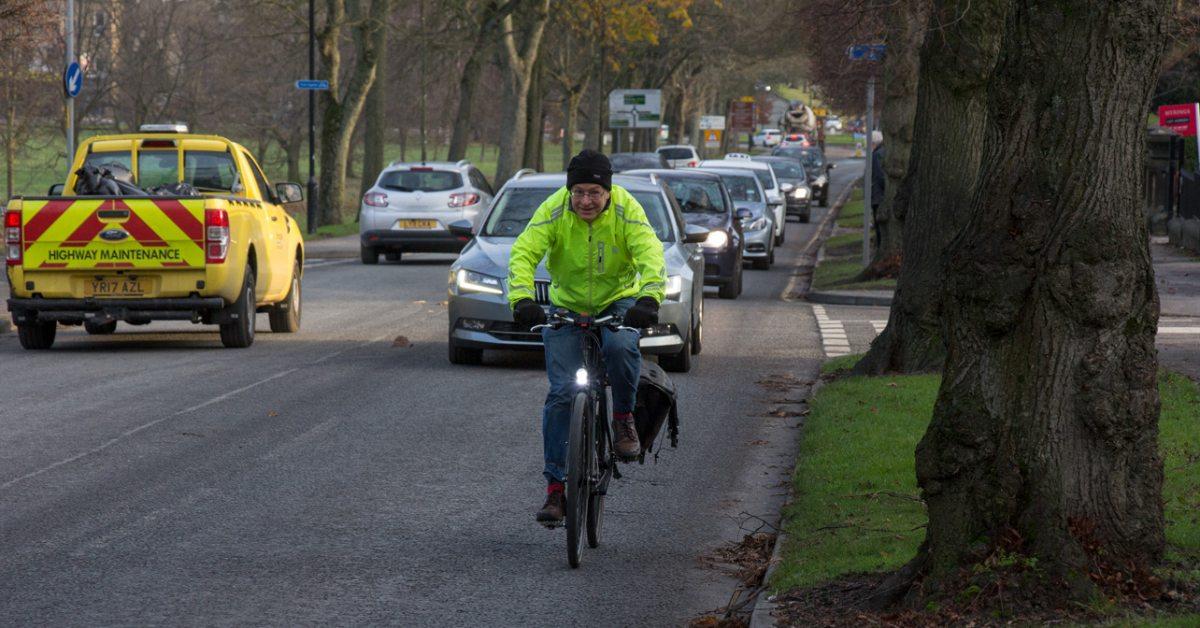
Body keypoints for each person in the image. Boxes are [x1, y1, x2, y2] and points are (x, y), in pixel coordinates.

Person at [507, 149, 666, 525]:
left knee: (621, 345)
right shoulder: (555, 208)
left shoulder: (628, 210)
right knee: (562, 393)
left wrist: (649, 297)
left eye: (594, 193)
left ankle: (624, 417)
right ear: (569, 190)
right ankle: (555, 491)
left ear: (608, 192)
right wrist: (521, 298)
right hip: (567, 305)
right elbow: (524, 252)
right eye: (578, 192)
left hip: (618, 300)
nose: (586, 201)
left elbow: (650, 253)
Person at [870, 130, 885, 250]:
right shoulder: (879, 152)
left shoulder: (877, 155)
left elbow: (879, 176)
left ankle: (880, 250)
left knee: (879, 227)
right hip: (878, 196)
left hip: (878, 197)